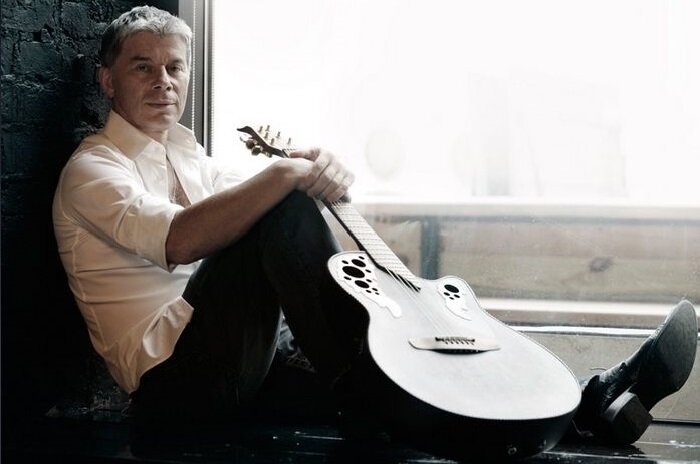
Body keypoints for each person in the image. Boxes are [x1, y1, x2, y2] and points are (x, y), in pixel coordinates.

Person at [53, 4, 697, 456]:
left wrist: (320, 172)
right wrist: (288, 176)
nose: (163, 82)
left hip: (248, 366)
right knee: (285, 211)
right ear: (107, 79)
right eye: (142, 67)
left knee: (405, 403)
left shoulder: (197, 161)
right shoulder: (92, 169)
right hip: (176, 384)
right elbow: (180, 241)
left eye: (174, 67)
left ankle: (589, 402)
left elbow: (282, 240)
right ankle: (378, 378)